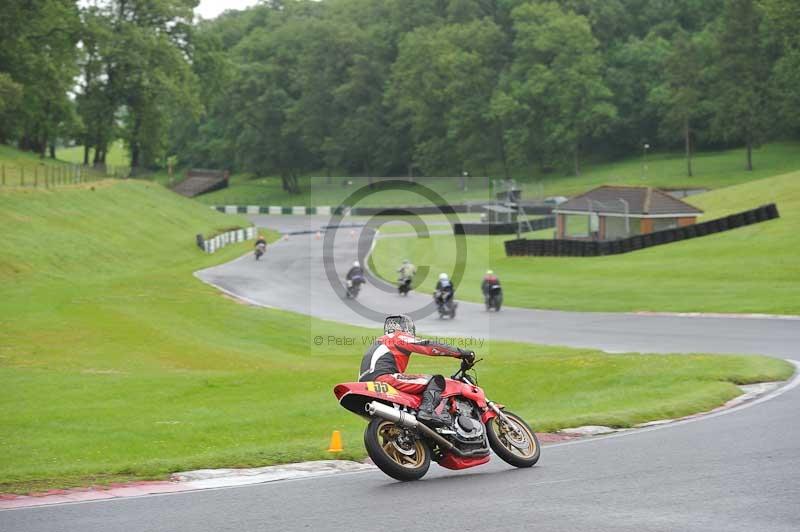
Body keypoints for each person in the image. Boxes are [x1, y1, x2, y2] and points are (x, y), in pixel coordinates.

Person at [359, 315, 475, 426]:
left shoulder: (380, 341)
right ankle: (427, 411)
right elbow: (428, 346)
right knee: (436, 380)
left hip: (364, 383)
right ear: (406, 328)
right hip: (384, 378)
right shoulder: (398, 337)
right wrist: (461, 353)